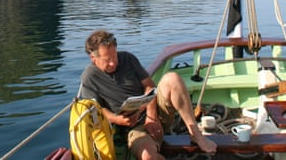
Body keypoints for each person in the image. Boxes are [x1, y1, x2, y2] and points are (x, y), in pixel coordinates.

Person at [80, 30, 217, 160]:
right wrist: (117, 119)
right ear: (93, 58)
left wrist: (151, 116)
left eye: (114, 57)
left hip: (155, 113)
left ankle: (195, 134)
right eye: (107, 60)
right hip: (133, 128)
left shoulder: (127, 58)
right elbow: (96, 110)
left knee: (172, 79)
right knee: (148, 157)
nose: (113, 62)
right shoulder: (89, 77)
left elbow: (149, 85)